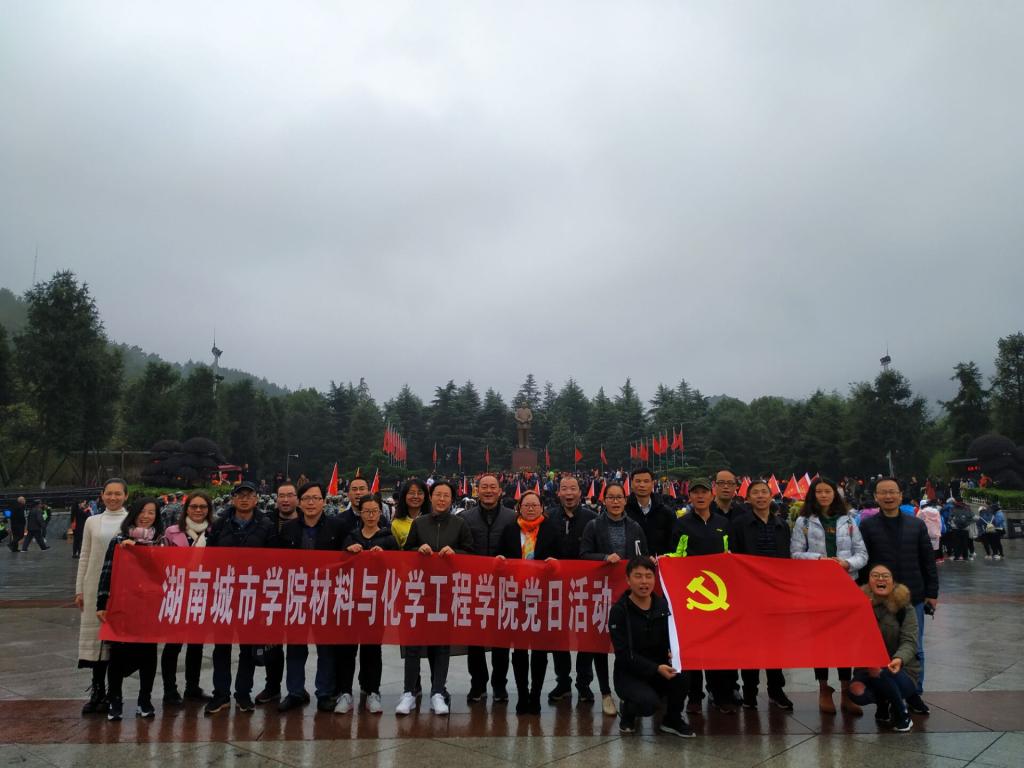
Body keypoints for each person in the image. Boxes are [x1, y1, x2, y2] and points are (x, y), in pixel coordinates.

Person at [859, 477, 937, 713]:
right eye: (883, 492)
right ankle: (885, 697)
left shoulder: (916, 525)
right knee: (881, 646)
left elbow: (928, 560)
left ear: (901, 495)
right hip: (879, 597)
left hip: (913, 594)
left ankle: (913, 694)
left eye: (892, 492)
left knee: (914, 647)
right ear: (876, 497)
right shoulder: (868, 526)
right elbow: (864, 564)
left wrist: (932, 592)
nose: (888, 496)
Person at [791, 476, 868, 715]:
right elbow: (795, 554)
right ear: (812, 495)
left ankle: (846, 691)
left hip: (846, 585)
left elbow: (862, 554)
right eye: (819, 492)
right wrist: (819, 560)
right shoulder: (804, 521)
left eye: (828, 491)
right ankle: (824, 689)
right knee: (821, 640)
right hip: (817, 587)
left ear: (836, 494)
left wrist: (847, 563)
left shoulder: (849, 520)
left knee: (844, 640)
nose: (824, 495)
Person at [204, 481, 276, 715]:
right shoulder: (219, 524)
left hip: (252, 593)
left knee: (248, 647)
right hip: (224, 592)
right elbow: (209, 556)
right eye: (240, 495)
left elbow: (275, 558)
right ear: (233, 499)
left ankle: (243, 693)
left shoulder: (266, 525)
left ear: (256, 499)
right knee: (221, 647)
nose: (244, 499)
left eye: (249, 495)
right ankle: (221, 694)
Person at [403, 480, 474, 715]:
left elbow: (470, 553)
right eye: (438, 495)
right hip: (420, 591)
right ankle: (409, 692)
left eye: (446, 496)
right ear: (430, 497)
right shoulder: (419, 523)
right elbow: (406, 552)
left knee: (441, 645)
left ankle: (437, 692)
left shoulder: (460, 524)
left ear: (452, 499)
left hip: (446, 592)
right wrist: (418, 550)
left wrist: (456, 553)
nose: (441, 499)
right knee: (413, 644)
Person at [276, 481, 348, 713]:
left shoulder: (337, 527)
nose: (310, 503)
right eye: (306, 498)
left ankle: (324, 693)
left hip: (326, 595)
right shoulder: (288, 529)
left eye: (315, 498)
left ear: (323, 502)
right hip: (297, 595)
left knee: (326, 648)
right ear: (299, 502)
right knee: (295, 646)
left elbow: (347, 558)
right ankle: (295, 692)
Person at [666, 477, 734, 713]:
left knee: (718, 647)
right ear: (690, 497)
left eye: (704, 492)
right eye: (695, 492)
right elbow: (677, 554)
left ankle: (720, 695)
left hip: (718, 594)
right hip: (692, 595)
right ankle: (694, 696)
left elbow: (729, 554)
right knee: (693, 647)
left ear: (712, 495)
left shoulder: (723, 523)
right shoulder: (682, 524)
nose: (700, 496)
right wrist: (664, 560)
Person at [609, 557, 694, 738]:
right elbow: (624, 655)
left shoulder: (664, 606)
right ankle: (628, 711)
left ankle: (672, 719)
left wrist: (673, 653)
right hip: (630, 674)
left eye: (649, 576)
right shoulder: (619, 611)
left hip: (660, 668)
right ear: (628, 580)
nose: (644, 582)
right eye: (638, 576)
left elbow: (673, 637)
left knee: (683, 672)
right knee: (647, 704)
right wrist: (655, 668)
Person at [96, 497, 164, 721]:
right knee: (117, 652)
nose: (146, 516)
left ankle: (145, 699)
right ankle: (115, 699)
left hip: (150, 606)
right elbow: (107, 571)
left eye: (151, 512)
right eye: (142, 511)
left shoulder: (161, 542)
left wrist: (142, 552)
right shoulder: (119, 540)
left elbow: (165, 571)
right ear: (134, 514)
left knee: (148, 653)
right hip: (123, 604)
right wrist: (102, 603)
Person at [728, 480, 793, 711]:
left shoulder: (782, 525)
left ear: (771, 496)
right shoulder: (739, 525)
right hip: (749, 592)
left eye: (764, 492)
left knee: (775, 644)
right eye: (755, 492)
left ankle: (776, 690)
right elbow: (734, 558)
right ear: (748, 498)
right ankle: (750, 692)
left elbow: (788, 558)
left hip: (775, 592)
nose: (760, 496)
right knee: (751, 644)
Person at [494, 490, 560, 715]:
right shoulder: (510, 530)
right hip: (516, 597)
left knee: (540, 650)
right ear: (519, 508)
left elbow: (563, 557)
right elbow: (500, 554)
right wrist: (500, 560)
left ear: (542, 508)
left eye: (535, 505)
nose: (530, 509)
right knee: (520, 650)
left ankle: (536, 694)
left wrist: (556, 562)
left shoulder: (551, 530)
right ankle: (522, 694)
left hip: (542, 597)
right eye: (526, 505)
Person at [337, 494, 397, 714]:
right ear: (360, 513)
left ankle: (372, 691)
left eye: (375, 511)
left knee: (372, 648)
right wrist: (349, 553)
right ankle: (345, 692)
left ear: (380, 513)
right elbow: (339, 566)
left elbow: (398, 567)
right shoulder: (351, 537)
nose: (371, 515)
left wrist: (386, 557)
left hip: (376, 602)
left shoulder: (388, 538)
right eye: (366, 511)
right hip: (352, 602)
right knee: (347, 649)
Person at [75, 478, 131, 715]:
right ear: (102, 495)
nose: (113, 497)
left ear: (126, 496)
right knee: (96, 642)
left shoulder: (131, 521)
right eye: (109, 493)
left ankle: (112, 692)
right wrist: (79, 588)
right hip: (92, 584)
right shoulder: (92, 521)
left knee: (114, 644)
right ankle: (97, 690)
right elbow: (85, 555)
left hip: (120, 587)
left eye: (118, 494)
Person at [461, 473, 517, 704]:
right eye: (484, 486)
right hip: (475, 587)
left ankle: (499, 685)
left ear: (500, 491)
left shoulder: (512, 517)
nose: (488, 491)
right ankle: (478, 684)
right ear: (477, 490)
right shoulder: (465, 517)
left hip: (503, 587)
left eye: (493, 487)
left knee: (501, 641)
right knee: (474, 640)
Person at [545, 475, 600, 707]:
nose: (569, 493)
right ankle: (563, 682)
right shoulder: (548, 517)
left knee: (586, 637)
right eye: (564, 489)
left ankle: (584, 683)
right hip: (556, 588)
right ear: (558, 492)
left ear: (580, 492)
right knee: (559, 637)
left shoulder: (593, 519)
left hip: (584, 587)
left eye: (573, 489)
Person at [846, 564, 919, 732]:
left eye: (885, 576)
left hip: (902, 670)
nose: (880, 579)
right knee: (856, 691)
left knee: (880, 671)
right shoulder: (860, 605)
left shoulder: (904, 608)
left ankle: (903, 714)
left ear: (893, 582)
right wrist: (864, 613)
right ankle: (883, 701)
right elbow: (851, 637)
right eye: (875, 575)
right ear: (868, 581)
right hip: (868, 668)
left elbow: (909, 641)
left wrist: (899, 659)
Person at [160, 491, 215, 705]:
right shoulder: (172, 532)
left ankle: (192, 687)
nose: (198, 510)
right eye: (194, 506)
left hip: (202, 593)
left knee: (196, 644)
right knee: (173, 644)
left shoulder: (214, 532)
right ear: (187, 509)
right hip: (177, 593)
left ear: (209, 510)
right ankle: (169, 689)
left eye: (203, 507)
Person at [255, 481, 301, 707]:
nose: (285, 499)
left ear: (297, 499)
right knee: (271, 643)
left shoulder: (307, 522)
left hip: (299, 589)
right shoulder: (264, 522)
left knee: (296, 643)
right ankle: (272, 687)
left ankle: (296, 689)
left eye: (290, 495)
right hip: (271, 588)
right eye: (281, 495)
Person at [624, 467, 675, 555]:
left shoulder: (667, 512)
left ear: (652, 483)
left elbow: (673, 542)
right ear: (631, 484)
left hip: (659, 561)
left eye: (646, 481)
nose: (642, 485)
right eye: (638, 481)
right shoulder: (623, 511)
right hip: (631, 562)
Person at [391, 479, 429, 550]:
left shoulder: (433, 520)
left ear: (425, 497)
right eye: (411, 493)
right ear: (404, 496)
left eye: (420, 493)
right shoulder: (396, 524)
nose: (416, 496)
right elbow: (394, 552)